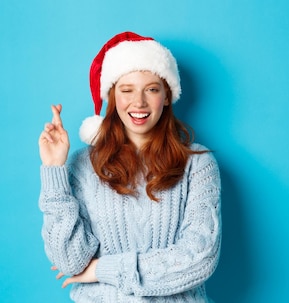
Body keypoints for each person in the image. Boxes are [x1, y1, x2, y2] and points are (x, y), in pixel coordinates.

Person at [38, 31, 221, 302]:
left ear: (167, 96)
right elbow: (70, 262)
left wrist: (103, 269)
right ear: (112, 97)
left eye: (152, 89)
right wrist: (54, 169)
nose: (139, 102)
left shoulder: (198, 164)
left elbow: (199, 258)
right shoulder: (83, 165)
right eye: (127, 90)